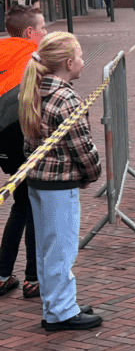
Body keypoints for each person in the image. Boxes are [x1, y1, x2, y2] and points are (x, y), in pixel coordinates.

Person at [19, 32, 102, 331]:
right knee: (61, 249)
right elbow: (82, 146)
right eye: (79, 56)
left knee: (46, 248)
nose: (82, 61)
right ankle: (61, 312)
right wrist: (92, 174)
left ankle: (55, 303)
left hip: (37, 182)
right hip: (59, 184)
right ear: (68, 63)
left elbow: (29, 144)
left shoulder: (34, 90)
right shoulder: (66, 99)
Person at [0, 6, 47, 300]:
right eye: (42, 28)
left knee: (20, 203)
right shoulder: (34, 57)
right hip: (21, 135)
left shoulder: (2, 50)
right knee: (33, 205)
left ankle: (3, 274)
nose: (45, 33)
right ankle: (33, 278)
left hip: (2, 141)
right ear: (30, 32)